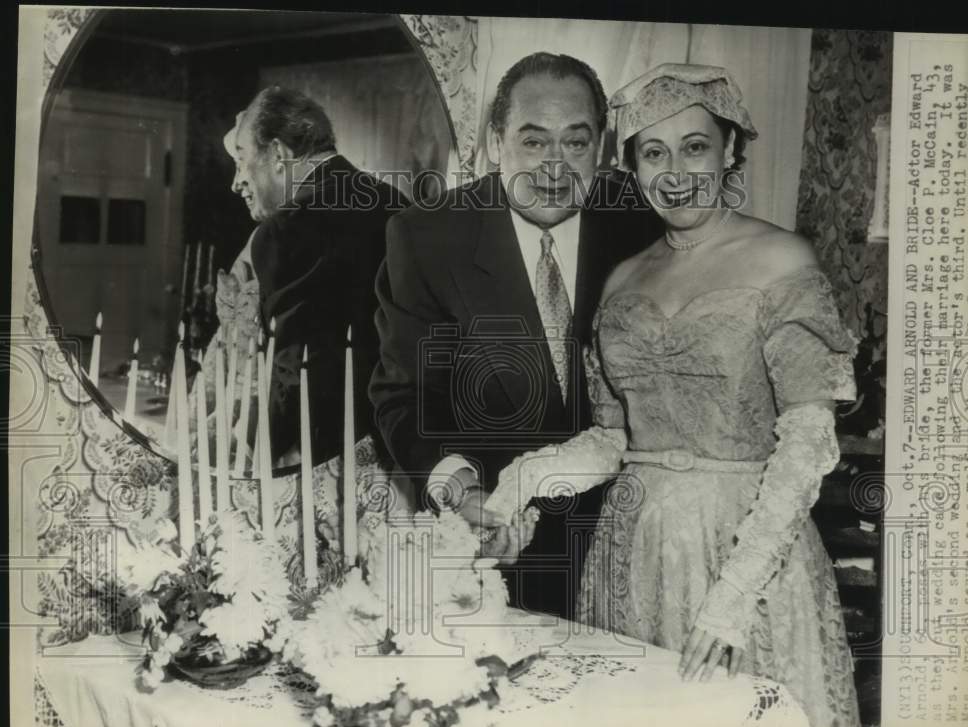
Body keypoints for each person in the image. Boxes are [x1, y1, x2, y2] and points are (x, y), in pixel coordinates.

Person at [487, 63, 863, 727]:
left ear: (729, 152)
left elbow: (806, 443)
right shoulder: (624, 278)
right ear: (629, 166)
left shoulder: (781, 260)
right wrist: (519, 486)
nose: (675, 170)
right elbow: (612, 439)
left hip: (746, 553)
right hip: (631, 551)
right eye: (652, 152)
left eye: (695, 146)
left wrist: (732, 597)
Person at [369, 53, 662, 619]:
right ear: (494, 141)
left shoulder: (644, 224)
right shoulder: (427, 239)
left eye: (576, 143)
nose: (555, 167)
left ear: (601, 148)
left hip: (635, 542)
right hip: (502, 555)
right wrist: (462, 491)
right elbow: (402, 399)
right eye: (533, 142)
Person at [231, 86, 408, 467]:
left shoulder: (283, 231)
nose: (236, 182)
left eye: (241, 159)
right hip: (403, 450)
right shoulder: (402, 207)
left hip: (324, 459)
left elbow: (294, 370)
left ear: (277, 154)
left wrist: (250, 450)